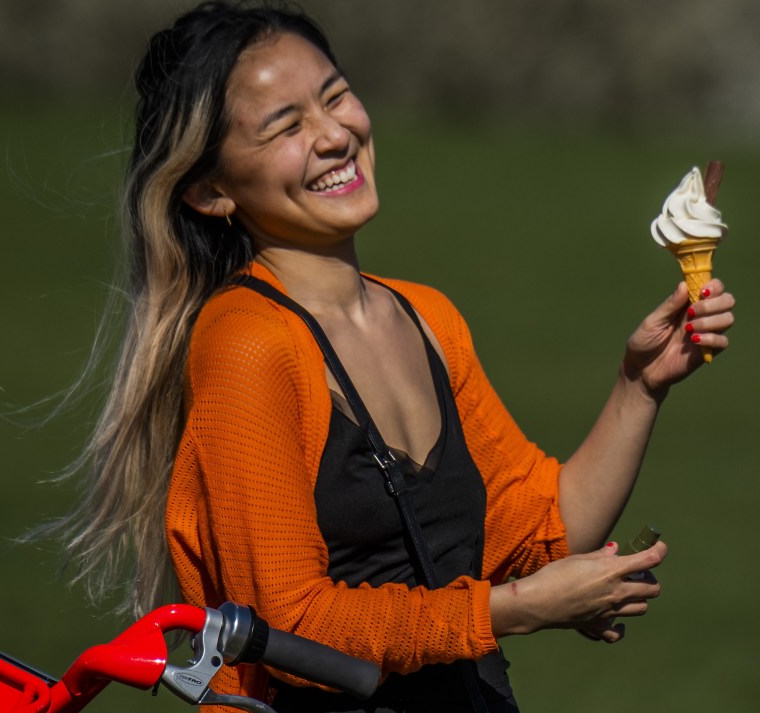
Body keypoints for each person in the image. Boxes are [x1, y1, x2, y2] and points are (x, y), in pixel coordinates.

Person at [51, 2, 736, 711]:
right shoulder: (248, 343)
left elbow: (541, 531)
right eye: (286, 126)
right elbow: (290, 624)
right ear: (210, 190)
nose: (333, 135)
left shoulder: (427, 316)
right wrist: (513, 609)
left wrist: (639, 385)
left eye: (336, 96)